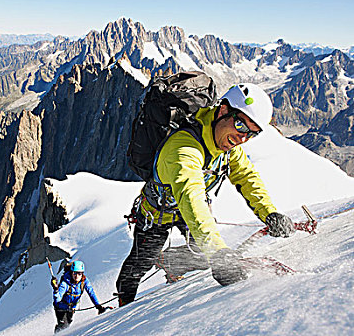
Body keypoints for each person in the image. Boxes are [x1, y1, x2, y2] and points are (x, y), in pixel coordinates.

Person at [116, 83, 296, 306]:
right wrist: (218, 252)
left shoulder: (226, 145)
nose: (242, 137)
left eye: (252, 133)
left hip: (183, 212)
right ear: (222, 111)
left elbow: (246, 177)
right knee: (139, 265)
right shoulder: (183, 149)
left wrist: (269, 213)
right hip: (156, 215)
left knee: (202, 256)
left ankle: (170, 261)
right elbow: (192, 200)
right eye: (239, 125)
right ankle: (122, 306)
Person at [52, 260, 106, 333]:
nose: (77, 276)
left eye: (79, 273)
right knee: (63, 326)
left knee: (67, 325)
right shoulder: (65, 283)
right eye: (74, 273)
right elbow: (57, 299)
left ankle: (57, 332)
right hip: (60, 308)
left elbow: (91, 293)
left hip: (71, 308)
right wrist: (56, 290)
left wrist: (98, 306)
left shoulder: (84, 282)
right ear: (71, 273)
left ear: (82, 274)